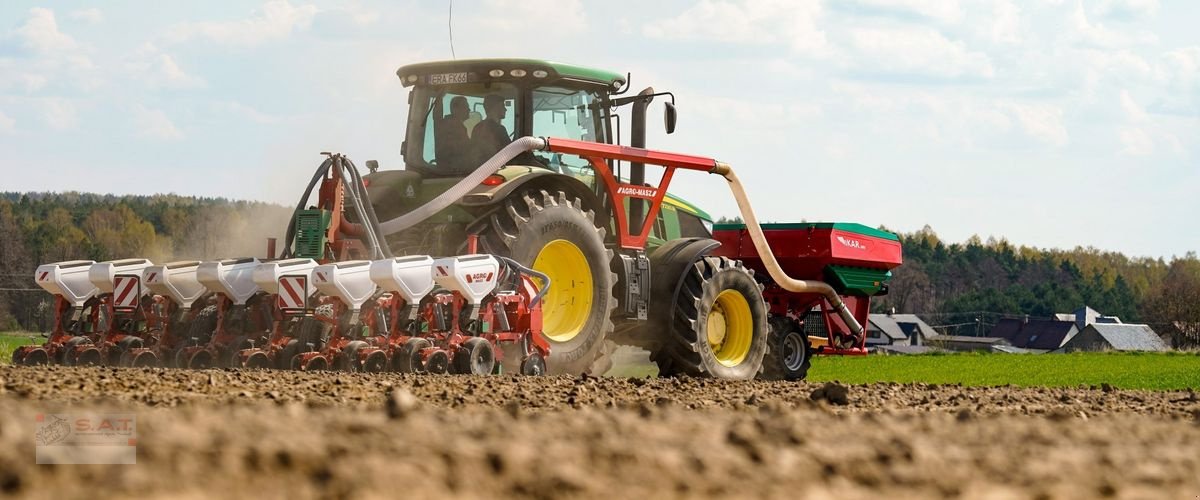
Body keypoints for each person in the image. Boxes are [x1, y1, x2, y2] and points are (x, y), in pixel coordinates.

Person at [471, 94, 511, 162]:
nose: (505, 109)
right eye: (502, 106)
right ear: (495, 107)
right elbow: (511, 152)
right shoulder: (500, 129)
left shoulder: (477, 127)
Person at [435, 96, 470, 169]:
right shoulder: (451, 127)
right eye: (465, 107)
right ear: (455, 109)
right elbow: (461, 149)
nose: (469, 110)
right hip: (454, 170)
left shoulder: (456, 125)